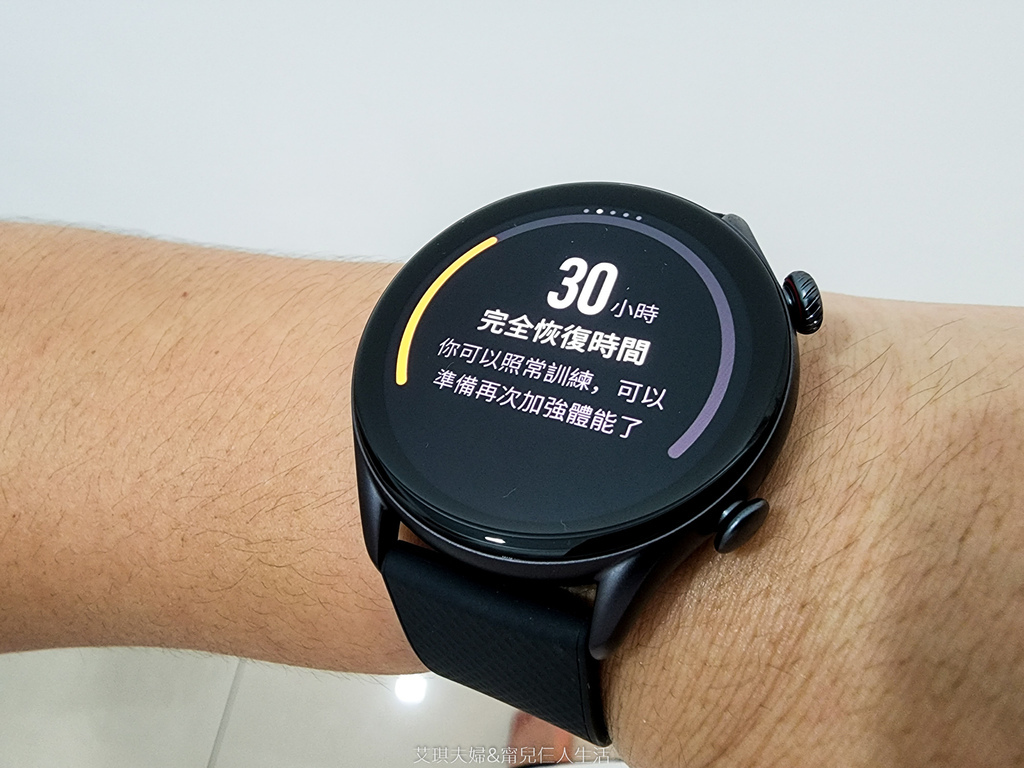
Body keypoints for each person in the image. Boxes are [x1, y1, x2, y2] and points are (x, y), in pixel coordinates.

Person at [1, 222, 1021, 767]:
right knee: (552, 664)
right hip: (466, 509)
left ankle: (545, 697)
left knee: (558, 663)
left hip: (569, 548)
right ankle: (548, 696)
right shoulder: (391, 517)